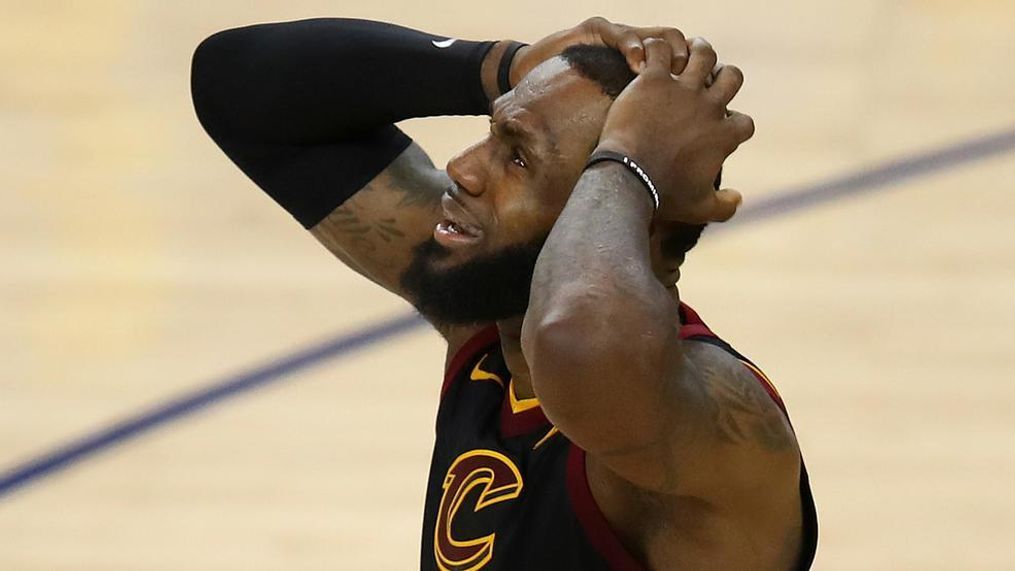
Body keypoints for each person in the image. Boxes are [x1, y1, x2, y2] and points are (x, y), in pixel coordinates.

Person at [191, 16, 817, 570]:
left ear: (631, 211)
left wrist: (629, 158)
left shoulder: (701, 414)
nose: (464, 168)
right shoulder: (491, 313)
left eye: (518, 159)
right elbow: (234, 86)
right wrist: (498, 67)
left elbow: (576, 340)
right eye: (495, 134)